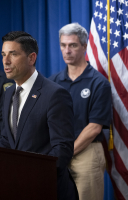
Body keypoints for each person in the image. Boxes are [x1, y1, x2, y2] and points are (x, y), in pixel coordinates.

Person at [0, 31, 78, 200]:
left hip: (46, 188)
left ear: (31, 58)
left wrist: (33, 177)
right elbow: (7, 139)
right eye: (4, 54)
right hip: (16, 187)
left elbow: (62, 149)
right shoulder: (8, 93)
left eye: (13, 54)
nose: (6, 61)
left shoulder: (54, 94)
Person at [49, 23, 111, 200]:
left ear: (84, 46)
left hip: (87, 153)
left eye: (73, 45)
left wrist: (66, 152)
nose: (67, 50)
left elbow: (94, 127)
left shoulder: (99, 83)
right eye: (63, 45)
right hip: (57, 154)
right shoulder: (53, 82)